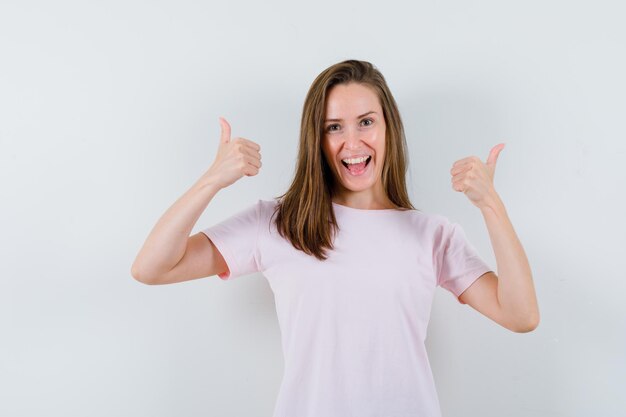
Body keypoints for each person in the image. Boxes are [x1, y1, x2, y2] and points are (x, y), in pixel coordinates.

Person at [131, 59, 540, 417]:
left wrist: (491, 205)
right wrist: (212, 180)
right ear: (317, 139)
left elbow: (521, 315)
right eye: (333, 127)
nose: (353, 142)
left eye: (366, 121)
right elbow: (152, 268)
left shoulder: (432, 235)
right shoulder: (276, 223)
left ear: (387, 128)